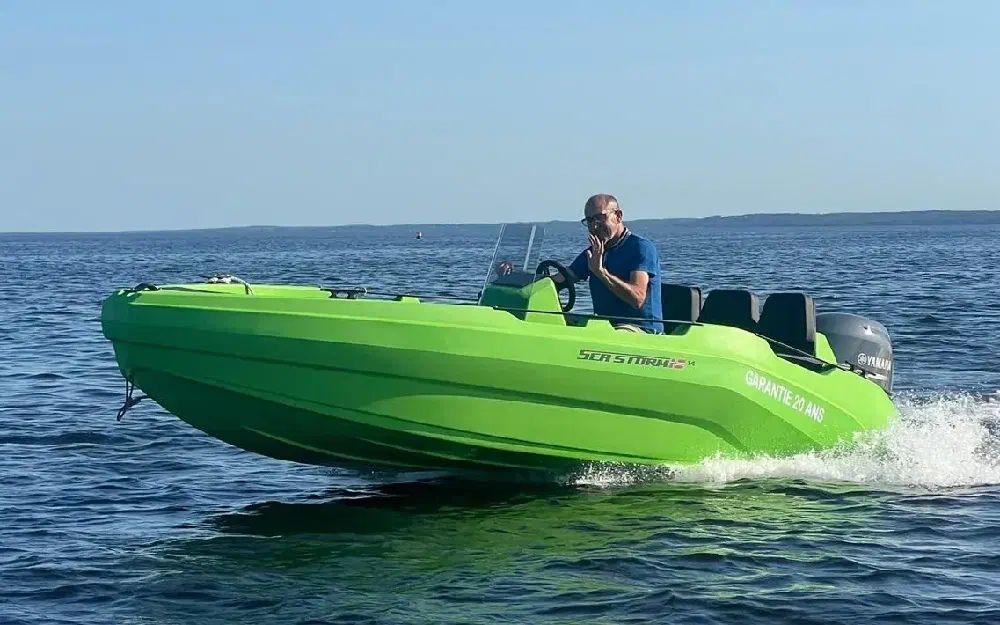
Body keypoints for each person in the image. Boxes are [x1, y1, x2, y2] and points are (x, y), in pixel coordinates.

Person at [560, 194, 662, 332]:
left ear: (618, 216)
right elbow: (563, 278)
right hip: (605, 327)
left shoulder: (640, 248)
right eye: (590, 220)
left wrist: (601, 272)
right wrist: (535, 281)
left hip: (640, 330)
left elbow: (637, 299)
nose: (594, 225)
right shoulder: (593, 253)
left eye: (600, 218)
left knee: (616, 334)